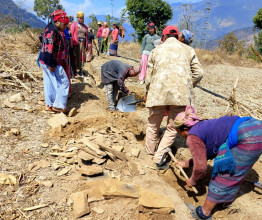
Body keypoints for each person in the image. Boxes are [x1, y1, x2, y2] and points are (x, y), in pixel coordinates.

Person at [173, 106, 262, 220]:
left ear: (185, 129)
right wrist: (185, 164)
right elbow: (204, 156)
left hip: (248, 137)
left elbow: (200, 168)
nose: (182, 137)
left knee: (225, 174)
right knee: (236, 173)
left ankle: (204, 213)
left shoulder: (192, 137)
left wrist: (192, 180)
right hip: (255, 126)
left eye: (179, 133)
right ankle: (225, 200)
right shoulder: (202, 126)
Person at [144, 25, 203, 169]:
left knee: (153, 125)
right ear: (177, 37)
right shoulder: (188, 50)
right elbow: (199, 73)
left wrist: (148, 91)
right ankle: (158, 159)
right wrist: (187, 85)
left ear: (163, 37)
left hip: (157, 94)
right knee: (171, 128)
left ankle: (148, 157)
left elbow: (148, 77)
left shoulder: (156, 50)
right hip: (180, 96)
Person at [39, 10, 69, 113]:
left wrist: (44, 45)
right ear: (58, 22)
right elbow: (50, 49)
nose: (65, 27)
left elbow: (41, 37)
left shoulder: (48, 28)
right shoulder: (54, 31)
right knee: (63, 81)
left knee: (49, 82)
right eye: (64, 24)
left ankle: (49, 104)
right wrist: (52, 64)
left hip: (43, 60)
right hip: (50, 61)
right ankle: (59, 105)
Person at [70, 11, 88, 76]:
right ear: (77, 18)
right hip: (76, 44)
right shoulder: (74, 25)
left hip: (82, 44)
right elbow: (71, 34)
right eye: (79, 18)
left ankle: (80, 70)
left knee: (82, 57)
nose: (81, 19)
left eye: (82, 18)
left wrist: (86, 45)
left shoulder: (85, 26)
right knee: (76, 56)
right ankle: (74, 70)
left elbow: (86, 35)